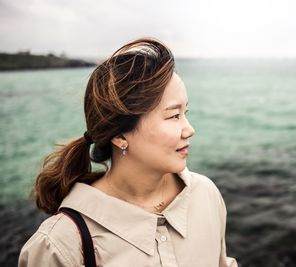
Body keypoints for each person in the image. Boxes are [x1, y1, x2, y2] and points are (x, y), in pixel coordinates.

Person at [18, 38, 238, 267]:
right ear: (120, 136)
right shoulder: (61, 245)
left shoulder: (205, 194)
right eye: (174, 115)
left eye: (185, 112)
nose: (190, 130)